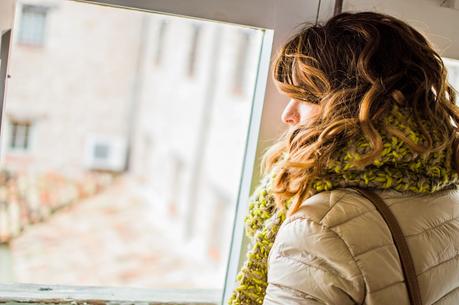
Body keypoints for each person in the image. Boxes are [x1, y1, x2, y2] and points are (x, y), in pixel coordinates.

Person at [228, 11, 459, 305]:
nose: (288, 115)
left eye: (307, 97)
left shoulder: (319, 228)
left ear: (354, 105)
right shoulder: (446, 189)